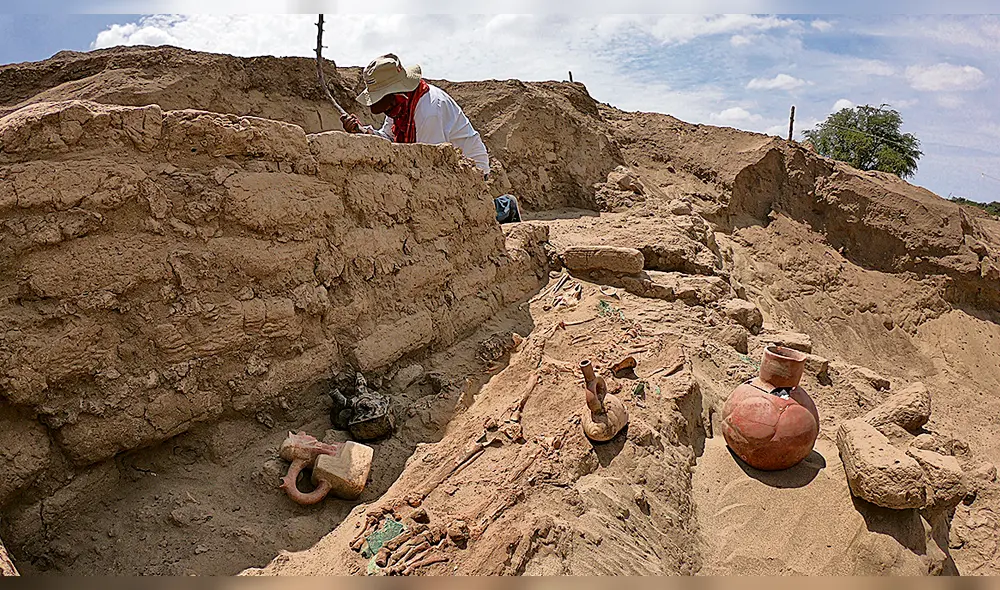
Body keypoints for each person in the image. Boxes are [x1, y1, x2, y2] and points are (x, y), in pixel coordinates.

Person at [340, 54, 520, 224]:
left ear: (396, 93)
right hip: (441, 165)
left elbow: (431, 167)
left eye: (385, 104)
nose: (386, 112)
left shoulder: (429, 111)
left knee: (449, 212)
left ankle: (503, 207)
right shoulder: (399, 107)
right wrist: (362, 132)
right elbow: (388, 138)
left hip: (468, 168)